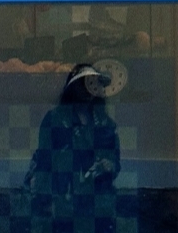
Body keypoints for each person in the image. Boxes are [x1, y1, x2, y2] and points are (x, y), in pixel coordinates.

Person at [26, 63, 120, 233]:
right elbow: (44, 164)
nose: (88, 90)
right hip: (64, 207)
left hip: (99, 208)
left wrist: (108, 165)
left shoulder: (106, 124)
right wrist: (47, 202)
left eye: (93, 84)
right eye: (84, 84)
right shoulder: (55, 120)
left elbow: (116, 163)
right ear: (73, 87)